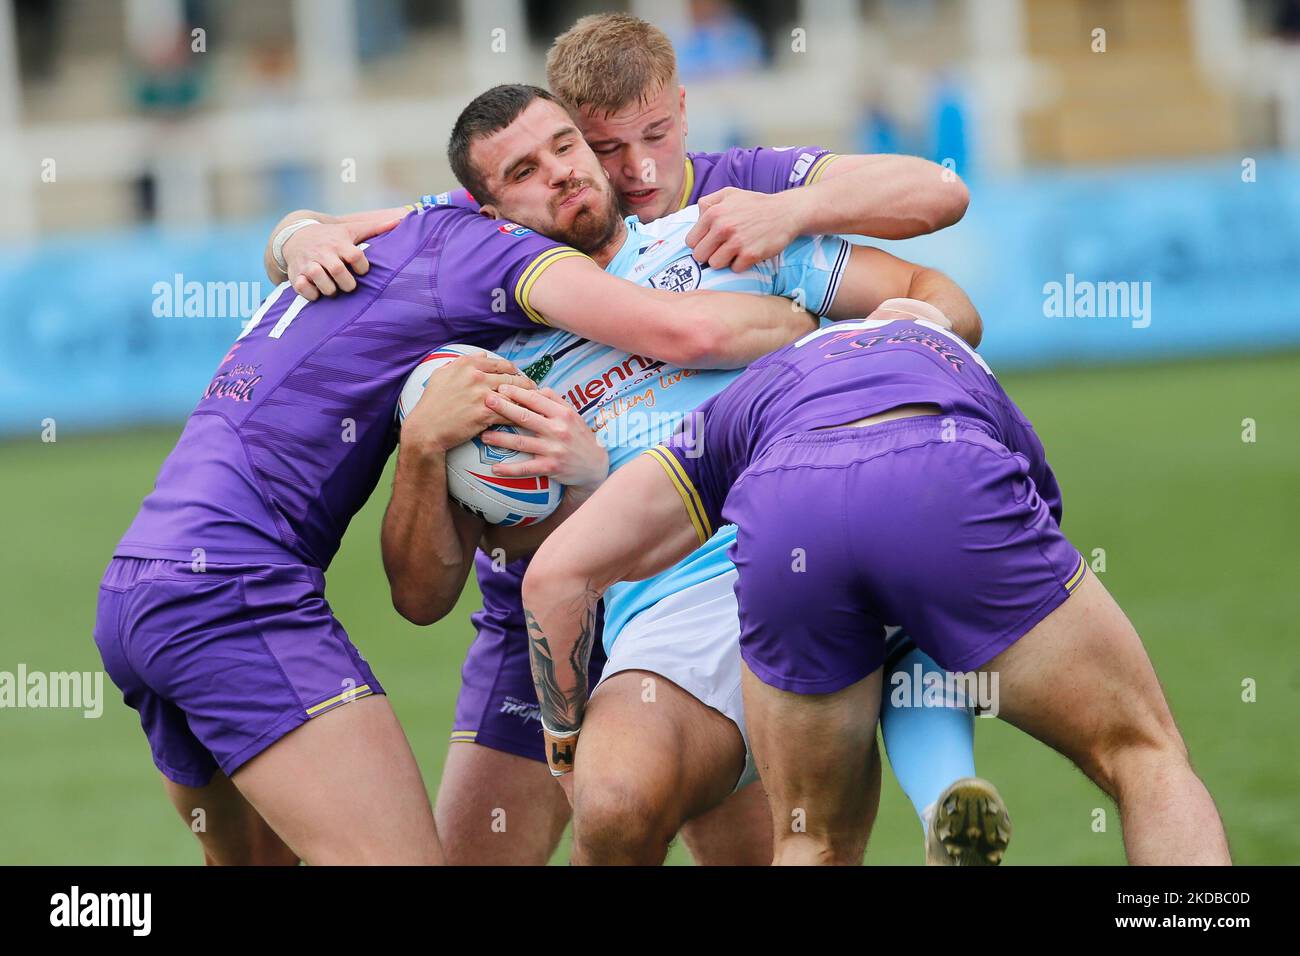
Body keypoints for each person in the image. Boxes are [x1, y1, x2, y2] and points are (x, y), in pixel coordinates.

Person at [264, 13, 984, 865]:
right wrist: (294, 235)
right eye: (603, 146)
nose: (635, 169)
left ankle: (945, 792)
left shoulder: (734, 204)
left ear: (683, 109)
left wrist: (800, 223)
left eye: (655, 134)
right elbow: (345, 230)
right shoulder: (496, 242)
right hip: (534, 610)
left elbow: (941, 201)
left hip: (714, 574)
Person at [93, 176, 815, 866]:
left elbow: (893, 204)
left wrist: (295, 236)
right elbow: (679, 330)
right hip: (237, 593)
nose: (576, 171)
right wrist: (803, 324)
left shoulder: (697, 190)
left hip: (144, 586)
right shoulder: (486, 246)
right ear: (488, 198)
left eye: (578, 147)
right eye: (526, 168)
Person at [520, 304, 1233, 866]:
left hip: (787, 503)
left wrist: (562, 748)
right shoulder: (958, 360)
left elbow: (555, 574)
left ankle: (935, 800)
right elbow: (1036, 524)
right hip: (943, 474)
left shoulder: (758, 384)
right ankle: (944, 793)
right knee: (1142, 755)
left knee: (810, 841)